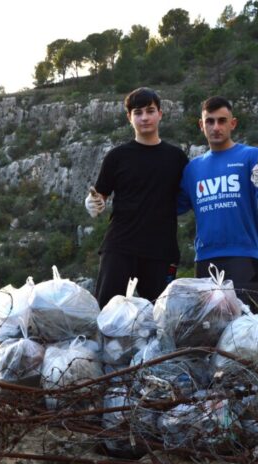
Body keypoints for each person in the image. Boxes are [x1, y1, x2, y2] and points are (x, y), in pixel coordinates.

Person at [84, 87, 188, 307]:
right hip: (120, 247)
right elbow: (100, 194)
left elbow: (191, 195)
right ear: (129, 117)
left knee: (161, 317)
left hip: (161, 250)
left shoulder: (177, 158)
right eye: (138, 112)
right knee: (107, 311)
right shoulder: (117, 157)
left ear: (160, 113)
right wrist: (93, 203)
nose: (144, 117)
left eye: (150, 111)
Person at [178, 96, 258, 313]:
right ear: (201, 125)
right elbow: (174, 207)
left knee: (249, 324)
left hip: (242, 255)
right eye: (210, 121)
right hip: (206, 257)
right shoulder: (193, 168)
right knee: (210, 326)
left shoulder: (250, 156)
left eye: (222, 121)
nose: (216, 127)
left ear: (232, 123)